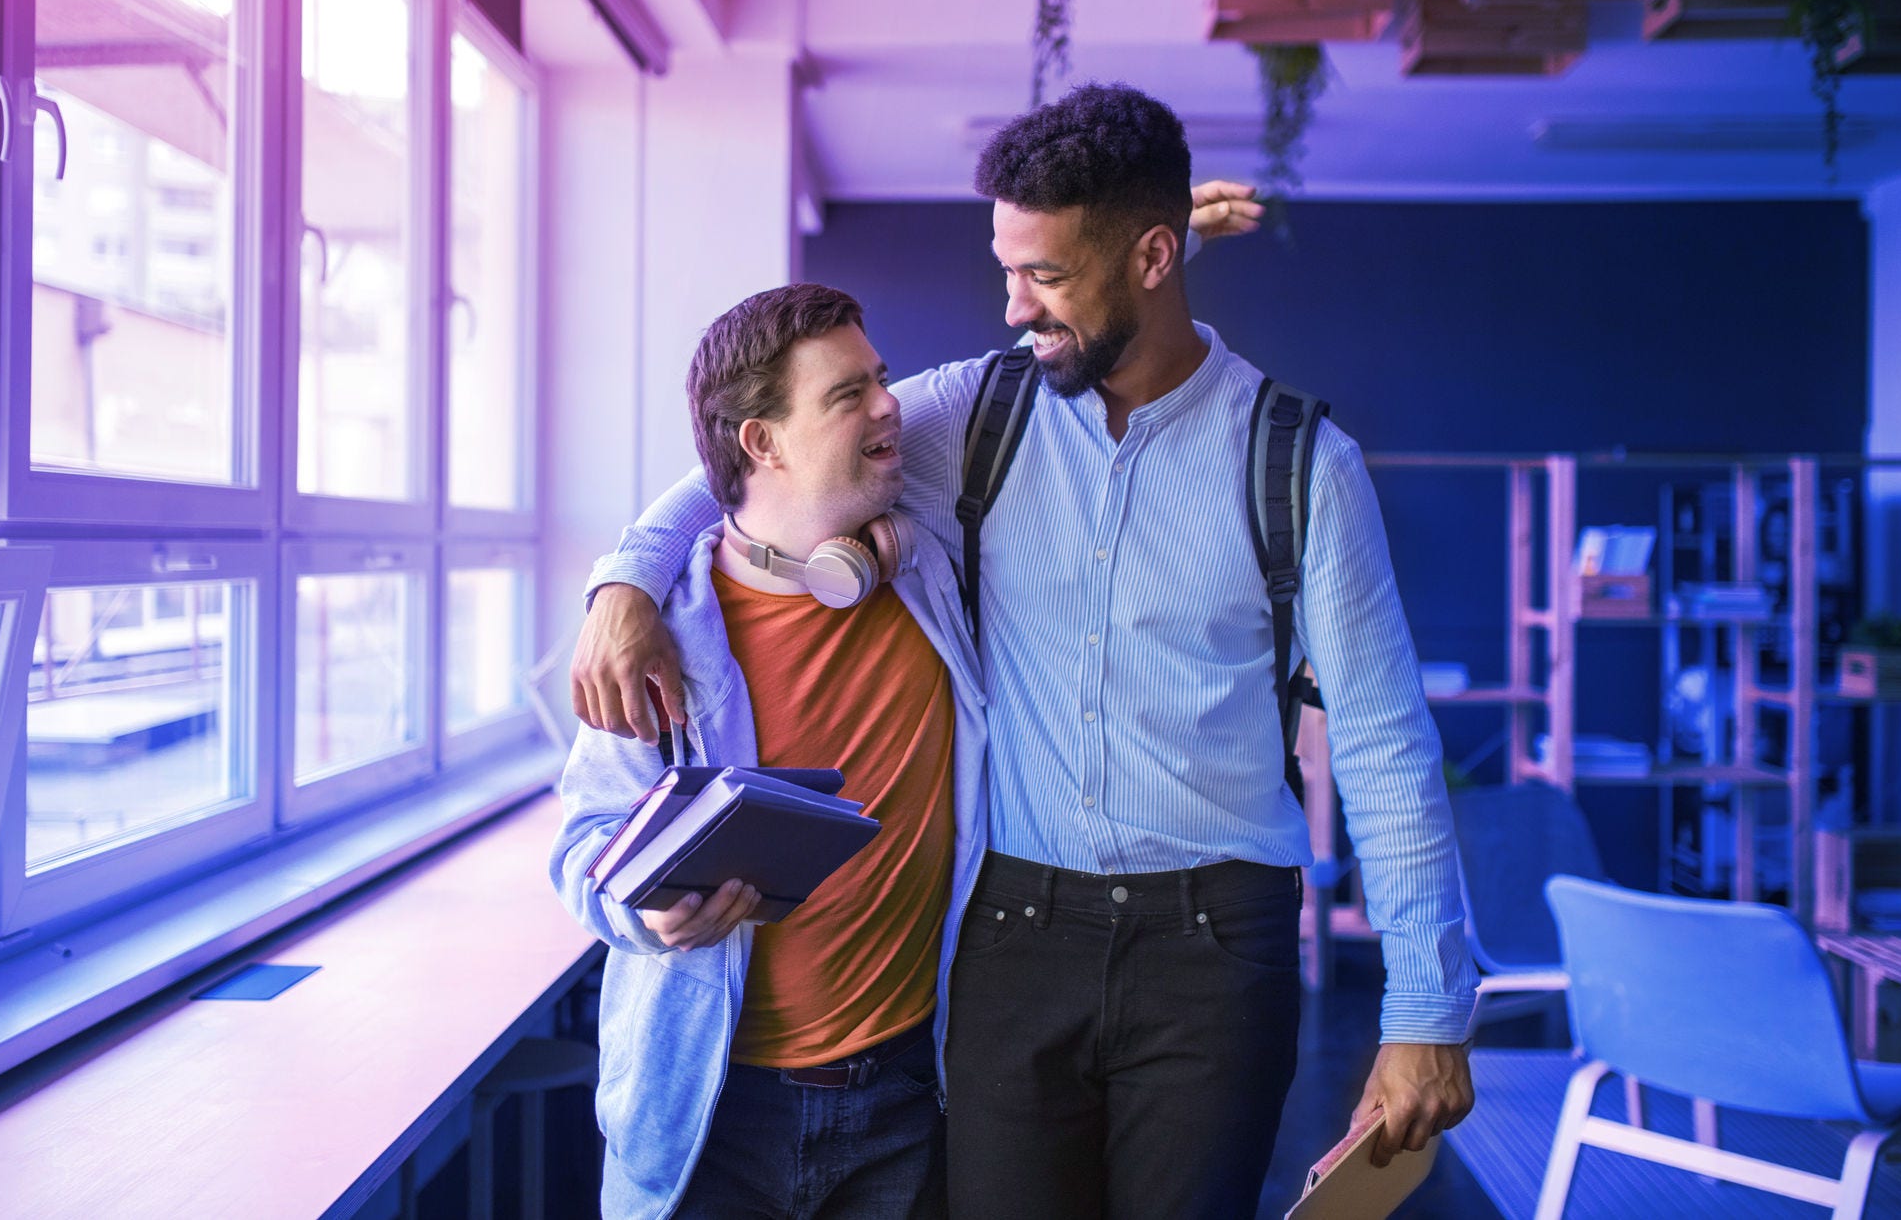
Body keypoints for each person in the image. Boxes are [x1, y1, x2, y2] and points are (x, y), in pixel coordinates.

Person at [572, 83, 1474, 1220]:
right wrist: (625, 578)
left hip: (1216, 945)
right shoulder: (968, 418)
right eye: (1006, 269)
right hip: (1013, 935)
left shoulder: (1301, 466)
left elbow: (1388, 746)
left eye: (1043, 276)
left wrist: (1424, 1015)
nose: (1011, 309)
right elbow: (765, 465)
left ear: (1153, 257)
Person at [547, 283, 992, 1220]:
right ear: (762, 441)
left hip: (908, 1098)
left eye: (880, 379)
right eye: (849, 394)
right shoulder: (660, 635)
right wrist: (646, 912)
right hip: (709, 1116)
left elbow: (1054, 358)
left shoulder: (928, 570)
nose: (889, 406)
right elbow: (582, 843)